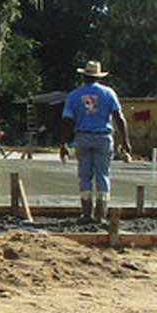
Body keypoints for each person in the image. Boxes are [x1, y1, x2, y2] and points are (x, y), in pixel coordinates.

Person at [59, 59, 132, 222]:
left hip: (82, 137)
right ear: (99, 77)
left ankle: (86, 213)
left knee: (84, 175)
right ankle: (100, 213)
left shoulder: (74, 95)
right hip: (103, 138)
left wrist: (63, 143)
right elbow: (118, 117)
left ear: (84, 77)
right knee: (103, 175)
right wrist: (126, 140)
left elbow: (67, 120)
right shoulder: (108, 93)